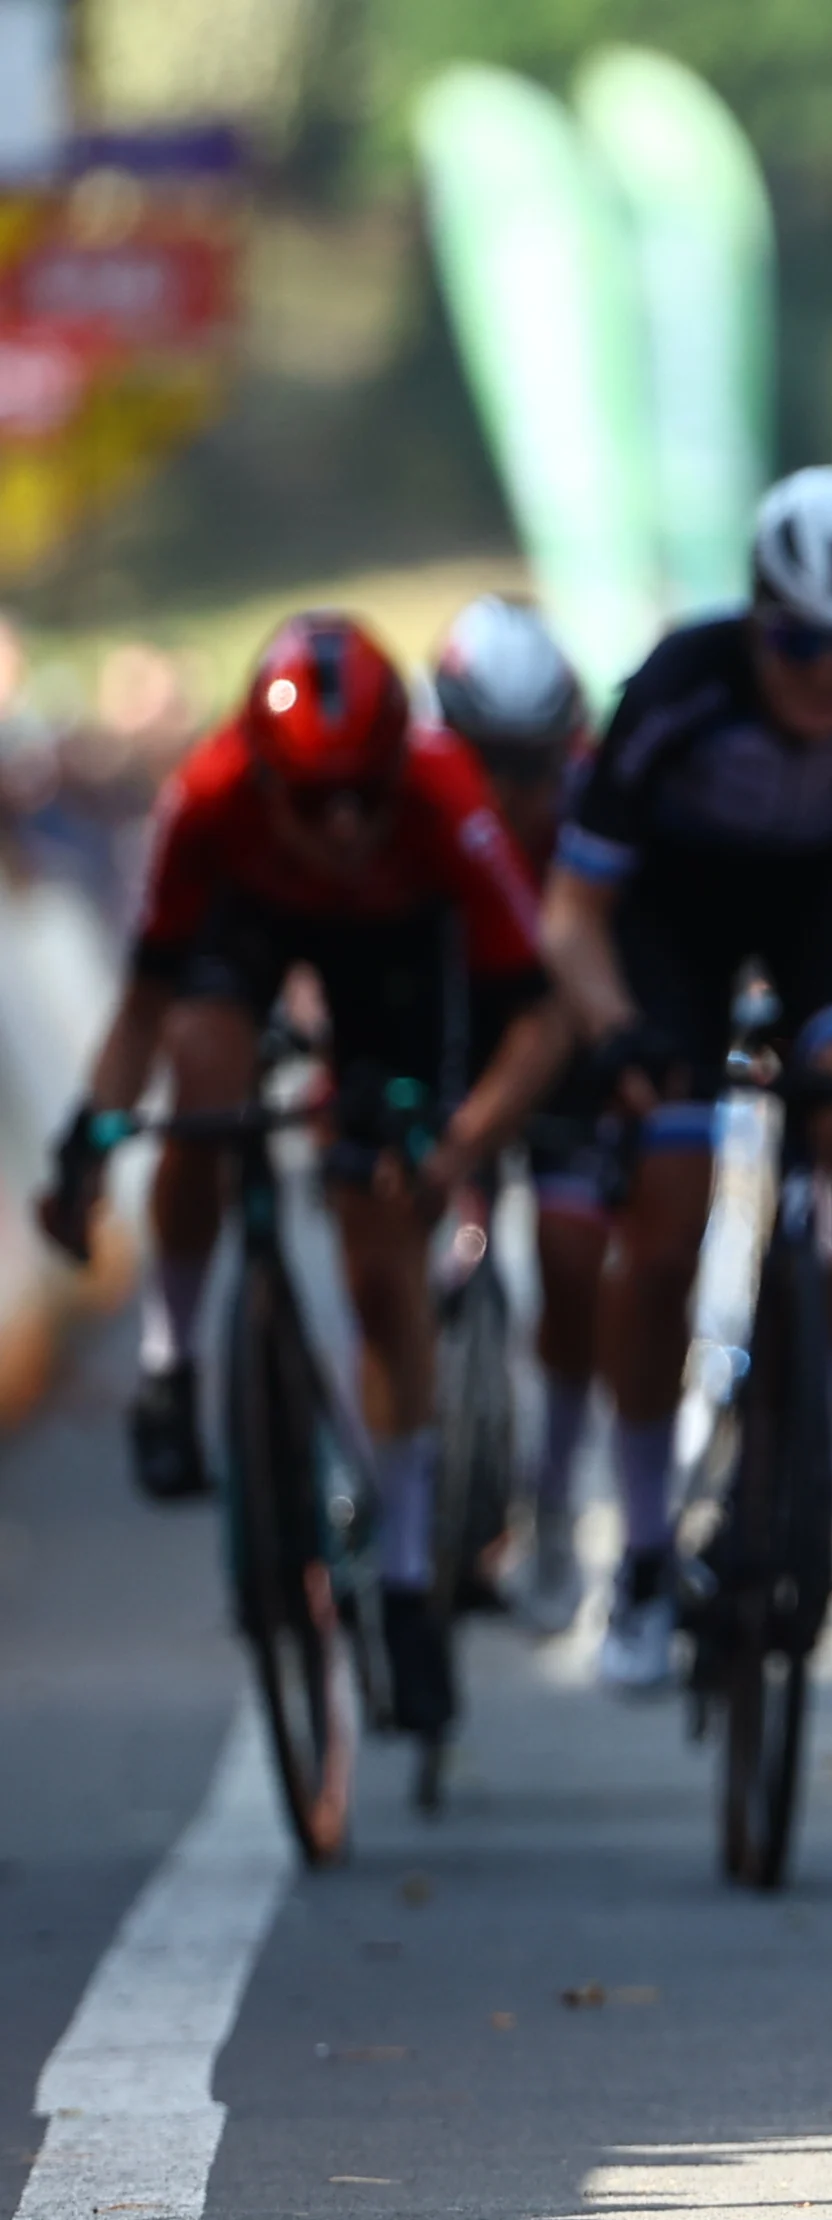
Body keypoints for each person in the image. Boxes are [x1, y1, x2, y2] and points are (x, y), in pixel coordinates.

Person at [34, 612, 568, 1778]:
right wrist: (84, 1148)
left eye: (360, 797)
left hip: (401, 962)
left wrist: (459, 1140)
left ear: (396, 772)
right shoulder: (211, 795)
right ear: (264, 775)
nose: (339, 824)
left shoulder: (439, 797)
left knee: (384, 1261)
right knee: (204, 1079)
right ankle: (175, 1362)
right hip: (253, 926)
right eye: (311, 800)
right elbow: (139, 1009)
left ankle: (416, 1578)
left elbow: (539, 1014)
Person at [541, 466, 832, 1691]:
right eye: (799, 641)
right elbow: (573, 912)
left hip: (830, 897)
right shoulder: (679, 684)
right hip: (671, 919)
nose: (826, 677)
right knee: (664, 1216)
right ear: (757, 614)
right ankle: (641, 1550)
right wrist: (614, 1034)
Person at [427, 595, 603, 1634]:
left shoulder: (594, 800)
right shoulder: (405, 796)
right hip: (451, 1012)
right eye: (489, 761)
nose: (514, 791)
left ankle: (554, 1491)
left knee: (578, 1257)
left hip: (563, 1024)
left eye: (536, 763)